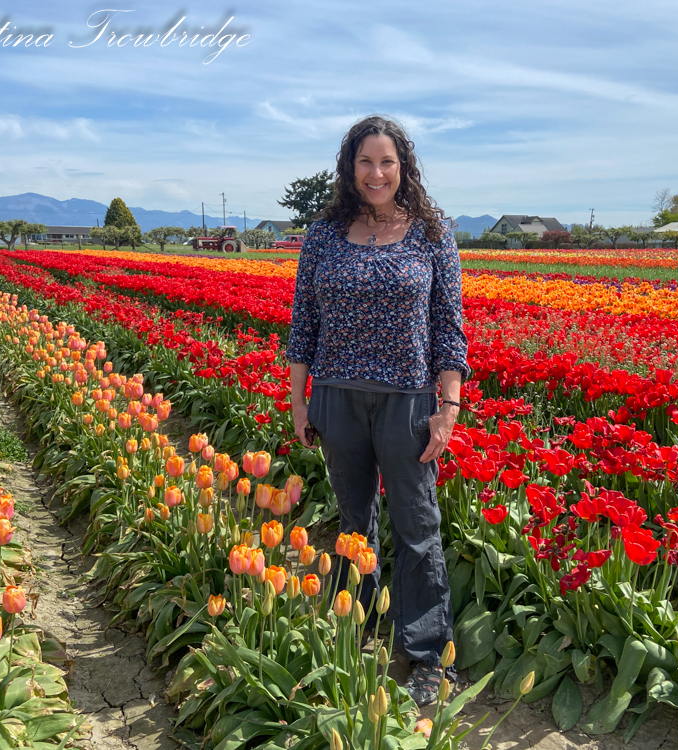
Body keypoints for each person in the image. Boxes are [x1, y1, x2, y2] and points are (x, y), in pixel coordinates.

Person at [285, 115, 470, 706]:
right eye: (365, 161)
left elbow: (448, 327)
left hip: (408, 401)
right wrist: (299, 400)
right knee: (353, 521)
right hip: (336, 395)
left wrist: (448, 406)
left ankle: (428, 654)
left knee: (417, 525)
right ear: (350, 168)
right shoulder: (324, 235)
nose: (376, 173)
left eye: (387, 161)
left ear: (403, 167)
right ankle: (357, 627)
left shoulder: (432, 234)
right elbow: (303, 324)